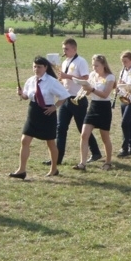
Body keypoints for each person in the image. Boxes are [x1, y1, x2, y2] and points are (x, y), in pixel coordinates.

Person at [11, 56, 71, 179]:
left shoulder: (51, 81)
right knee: (24, 140)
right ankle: (21, 170)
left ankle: (54, 169)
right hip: (33, 112)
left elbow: (64, 95)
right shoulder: (30, 80)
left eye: (39, 67)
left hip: (47, 114)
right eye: (34, 66)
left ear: (45, 67)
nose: (36, 69)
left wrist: (55, 107)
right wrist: (21, 94)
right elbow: (26, 96)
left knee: (50, 143)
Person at [52, 38, 101, 167]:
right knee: (60, 128)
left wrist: (66, 76)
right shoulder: (65, 62)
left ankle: (95, 152)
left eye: (66, 49)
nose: (64, 51)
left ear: (74, 49)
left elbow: (85, 78)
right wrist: (60, 80)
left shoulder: (81, 61)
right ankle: (57, 158)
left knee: (82, 128)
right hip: (66, 98)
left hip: (78, 99)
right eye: (63, 49)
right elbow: (65, 80)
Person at [73, 54, 116, 171]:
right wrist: (85, 89)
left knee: (105, 137)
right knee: (84, 134)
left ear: (103, 65)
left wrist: (91, 89)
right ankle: (82, 163)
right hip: (93, 106)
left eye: (97, 66)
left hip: (104, 108)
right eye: (93, 65)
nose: (94, 68)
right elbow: (89, 92)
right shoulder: (92, 75)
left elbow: (105, 94)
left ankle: (108, 162)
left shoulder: (110, 77)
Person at [114, 51, 131, 158]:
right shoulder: (123, 71)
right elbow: (121, 84)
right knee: (128, 124)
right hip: (124, 98)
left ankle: (125, 148)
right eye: (122, 61)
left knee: (124, 123)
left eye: (125, 61)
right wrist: (118, 88)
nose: (123, 63)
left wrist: (127, 85)